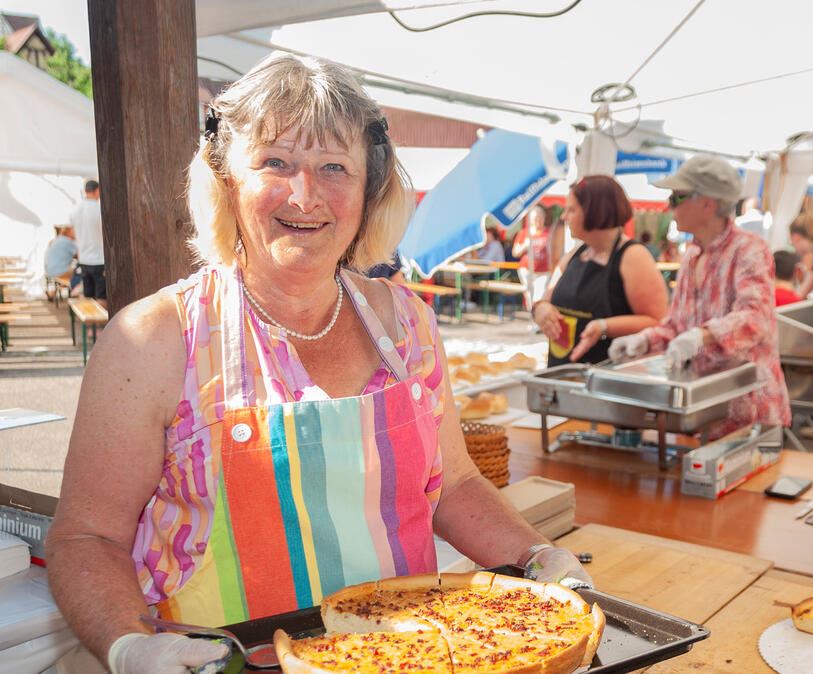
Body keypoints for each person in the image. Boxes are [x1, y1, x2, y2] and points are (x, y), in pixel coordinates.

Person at [46, 54, 590, 673]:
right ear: (227, 179)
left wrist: (538, 557)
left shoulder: (407, 325)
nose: (305, 195)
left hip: (403, 660)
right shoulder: (154, 339)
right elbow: (87, 537)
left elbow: (455, 486)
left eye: (334, 167)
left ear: (368, 190)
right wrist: (129, 645)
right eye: (275, 162)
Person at [607, 155, 790, 438]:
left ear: (707, 203)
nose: (670, 205)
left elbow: (756, 318)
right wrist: (644, 340)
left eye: (677, 197)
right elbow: (677, 327)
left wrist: (702, 336)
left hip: (750, 412)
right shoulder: (692, 255)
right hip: (705, 409)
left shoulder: (749, 249)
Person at [533, 175, 668, 365]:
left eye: (571, 210)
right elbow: (545, 299)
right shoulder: (575, 255)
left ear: (594, 211)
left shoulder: (632, 256)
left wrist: (604, 326)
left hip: (608, 374)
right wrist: (540, 309)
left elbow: (657, 321)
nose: (564, 217)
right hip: (563, 372)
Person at [70, 179, 107, 308]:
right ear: (97, 191)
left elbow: (72, 234)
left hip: (84, 259)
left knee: (88, 297)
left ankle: (90, 321)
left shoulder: (75, 210)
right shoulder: (100, 209)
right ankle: (101, 322)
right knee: (101, 298)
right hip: (100, 259)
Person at [513, 204, 554, 309]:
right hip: (526, 270)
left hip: (543, 271)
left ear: (544, 218)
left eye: (540, 218)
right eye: (535, 218)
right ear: (530, 220)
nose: (538, 221)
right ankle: (532, 314)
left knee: (539, 296)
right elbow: (515, 253)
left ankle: (535, 314)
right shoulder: (524, 233)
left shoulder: (549, 233)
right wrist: (525, 245)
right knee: (529, 296)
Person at [44, 225, 79, 296]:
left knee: (77, 270)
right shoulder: (67, 241)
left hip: (49, 271)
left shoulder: (56, 240)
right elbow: (80, 256)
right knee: (83, 272)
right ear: (69, 232)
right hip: (59, 271)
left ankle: (54, 291)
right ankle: (77, 290)